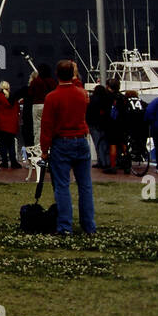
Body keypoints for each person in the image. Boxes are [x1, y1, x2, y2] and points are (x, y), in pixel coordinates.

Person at [39, 60, 96, 235]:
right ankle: (89, 226)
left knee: (62, 186)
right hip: (81, 140)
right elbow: (77, 88)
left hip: (61, 142)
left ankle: (65, 227)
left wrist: (44, 150)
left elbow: (46, 125)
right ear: (73, 75)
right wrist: (75, 74)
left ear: (57, 75)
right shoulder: (82, 94)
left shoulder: (52, 97)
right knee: (85, 185)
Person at [0, 81, 21, 169]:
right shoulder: (14, 98)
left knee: (3, 144)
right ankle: (13, 161)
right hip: (12, 124)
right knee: (11, 144)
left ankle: (4, 161)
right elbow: (17, 110)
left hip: (2, 123)